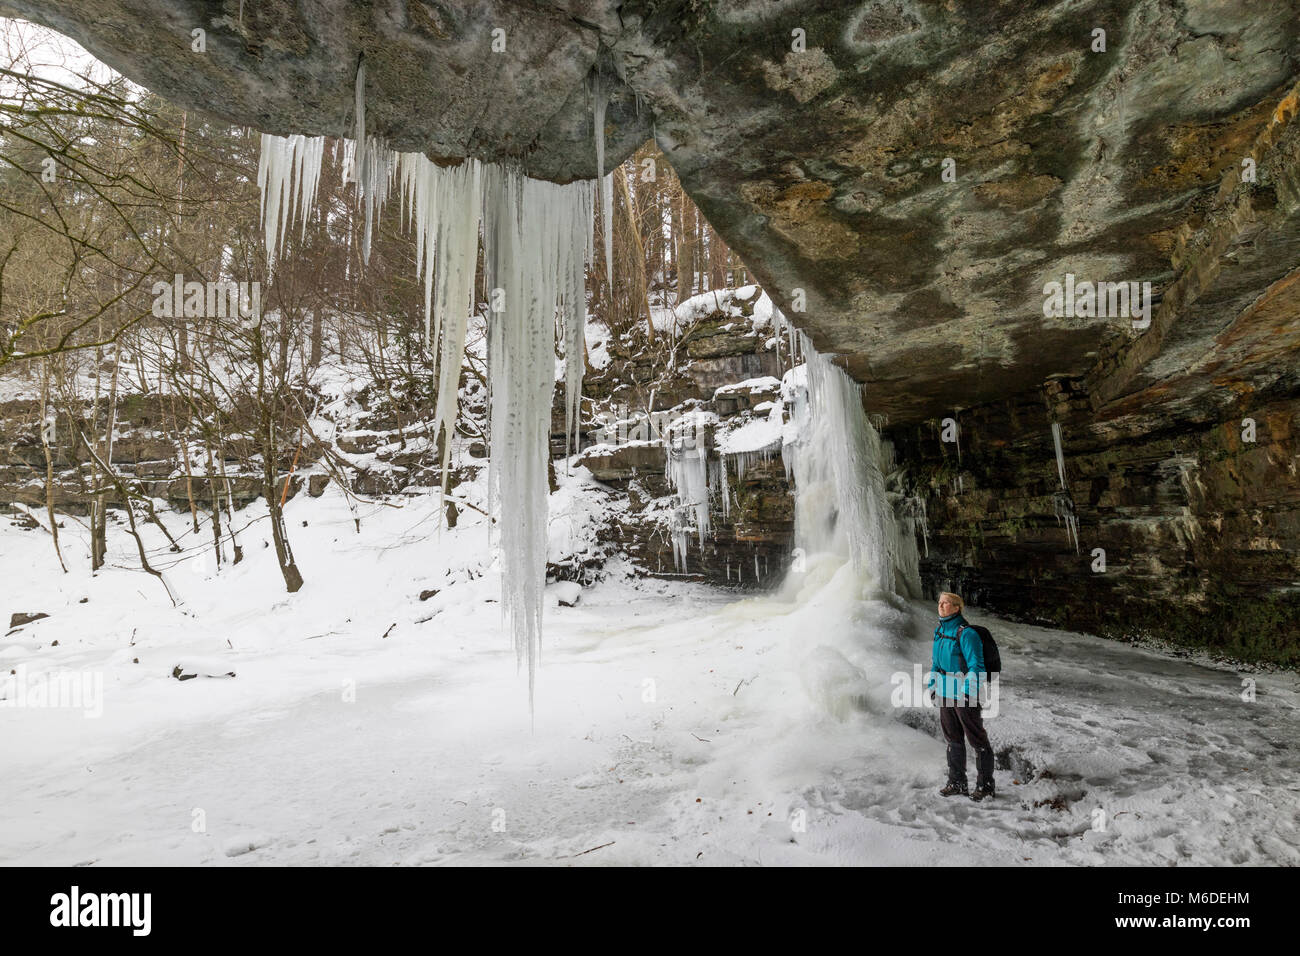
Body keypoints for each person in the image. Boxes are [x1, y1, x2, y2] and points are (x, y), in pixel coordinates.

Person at [927, 591, 995, 801]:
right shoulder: (939, 632)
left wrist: (968, 691)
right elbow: (936, 664)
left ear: (957, 608)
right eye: (940, 602)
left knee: (977, 739)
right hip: (945, 692)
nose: (941, 606)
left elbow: (977, 665)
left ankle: (985, 786)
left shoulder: (966, 633)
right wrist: (932, 686)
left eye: (946, 603)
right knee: (953, 739)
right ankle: (957, 782)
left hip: (964, 693)